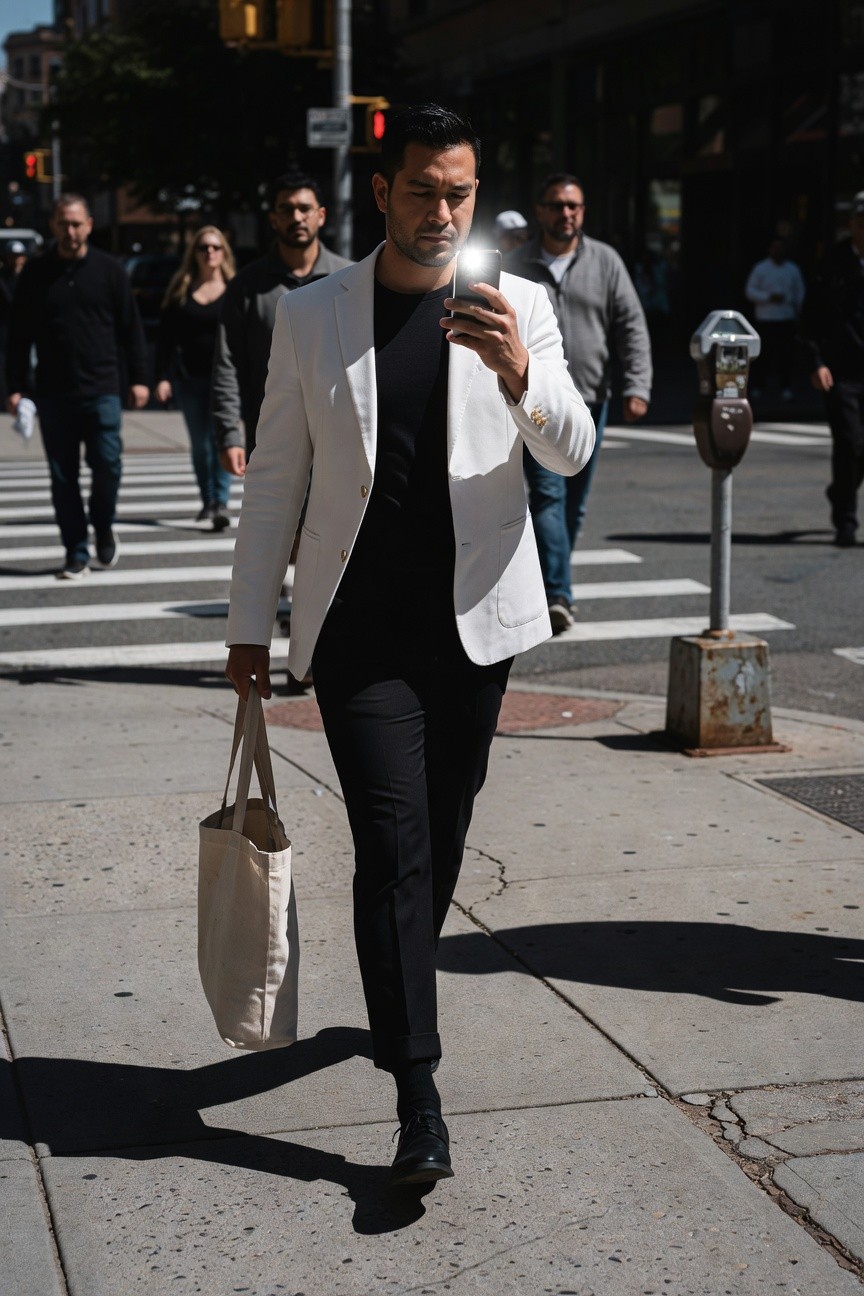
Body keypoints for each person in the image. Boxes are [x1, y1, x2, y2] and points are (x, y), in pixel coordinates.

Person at [224, 104, 594, 1185]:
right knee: (393, 844)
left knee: (439, 829)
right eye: (424, 191)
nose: (442, 213)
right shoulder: (312, 313)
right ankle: (417, 1094)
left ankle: (397, 985)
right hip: (360, 634)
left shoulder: (518, 302)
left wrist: (523, 374)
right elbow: (278, 480)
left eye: (461, 194)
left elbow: (569, 454)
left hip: (478, 627)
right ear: (380, 193)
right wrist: (251, 624)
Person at [506, 172, 652, 631]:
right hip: (534, 397)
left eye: (573, 206)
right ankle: (558, 594)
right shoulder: (514, 263)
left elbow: (631, 325)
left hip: (592, 397)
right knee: (548, 495)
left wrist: (637, 386)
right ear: (540, 211)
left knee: (575, 502)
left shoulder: (605, 261)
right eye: (556, 205)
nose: (565, 214)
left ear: (582, 213)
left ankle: (553, 576)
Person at [5, 195, 149, 579]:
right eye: (63, 224)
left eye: (76, 223)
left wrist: (139, 379)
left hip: (103, 387)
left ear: (88, 225)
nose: (70, 231)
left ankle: (102, 524)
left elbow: (130, 328)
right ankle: (75, 550)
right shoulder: (35, 274)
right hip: (53, 392)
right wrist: (15, 386)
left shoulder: (110, 270)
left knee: (108, 465)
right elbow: (17, 335)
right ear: (53, 226)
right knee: (63, 476)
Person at [212, 173, 352, 478]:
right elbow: (227, 364)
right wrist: (229, 435)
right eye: (286, 210)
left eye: (305, 208)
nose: (297, 217)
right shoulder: (247, 286)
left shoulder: (350, 279)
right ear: (274, 219)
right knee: (276, 526)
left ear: (321, 216)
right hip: (270, 433)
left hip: (340, 434)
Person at [155, 226, 236, 529]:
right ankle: (207, 498)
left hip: (227, 380)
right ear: (195, 253)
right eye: (203, 247)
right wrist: (162, 377)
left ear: (224, 252)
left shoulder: (235, 288)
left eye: (215, 247)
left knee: (223, 439)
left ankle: (221, 502)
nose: (209, 252)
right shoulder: (181, 288)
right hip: (189, 378)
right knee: (200, 444)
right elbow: (165, 339)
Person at [800, 193, 864, 548]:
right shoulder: (834, 264)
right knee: (849, 444)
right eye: (861, 221)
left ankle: (839, 492)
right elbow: (809, 319)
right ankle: (847, 523)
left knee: (860, 451)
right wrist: (816, 363)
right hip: (842, 373)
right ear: (853, 224)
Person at [745, 238, 806, 400]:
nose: (778, 251)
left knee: (785, 355)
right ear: (769, 249)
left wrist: (800, 313)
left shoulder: (792, 269)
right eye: (775, 248)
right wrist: (768, 297)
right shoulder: (761, 268)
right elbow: (750, 291)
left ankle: (785, 386)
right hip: (766, 318)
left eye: (781, 248)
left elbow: (800, 293)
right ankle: (758, 386)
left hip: (786, 317)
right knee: (763, 355)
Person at [0, 240, 28, 408]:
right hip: (4, 326)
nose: (16, 260)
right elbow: (9, 300)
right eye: (12, 256)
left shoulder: (27, 276)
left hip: (23, 326)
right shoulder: (3, 277)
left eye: (18, 256)